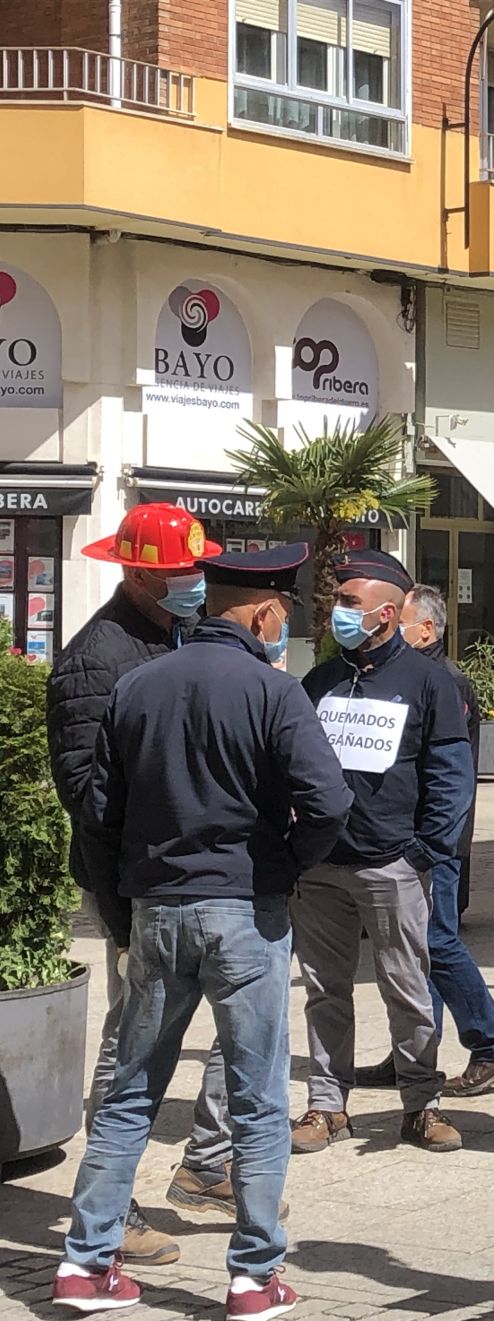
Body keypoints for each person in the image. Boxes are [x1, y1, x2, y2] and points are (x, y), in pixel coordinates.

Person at [53, 544, 352, 1321]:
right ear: (263, 613)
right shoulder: (272, 691)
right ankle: (254, 1278)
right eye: (282, 615)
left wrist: (126, 906)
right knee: (255, 1100)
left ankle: (86, 1265)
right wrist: (281, 867)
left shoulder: (137, 686)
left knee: (128, 1093)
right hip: (245, 914)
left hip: (156, 911)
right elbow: (327, 802)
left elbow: (99, 812)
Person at [46, 503, 228, 1265]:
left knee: (223, 1034)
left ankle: (206, 1168)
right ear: (141, 572)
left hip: (189, 877)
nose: (197, 581)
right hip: (136, 889)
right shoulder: (98, 658)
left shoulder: (172, 635)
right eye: (184, 571)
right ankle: (110, 1215)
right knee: (133, 1050)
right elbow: (87, 795)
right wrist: (122, 922)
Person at [292, 550, 474, 1155]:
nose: (336, 613)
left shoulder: (429, 682)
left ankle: (421, 1104)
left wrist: (424, 851)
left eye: (349, 604)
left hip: (391, 863)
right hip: (319, 866)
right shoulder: (318, 681)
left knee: (406, 985)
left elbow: (452, 773)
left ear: (387, 614)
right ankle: (326, 1105)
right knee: (324, 988)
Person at [354, 584, 494, 1097]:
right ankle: (414, 1054)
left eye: (397, 619)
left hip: (433, 842)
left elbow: (450, 776)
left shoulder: (442, 682)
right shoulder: (405, 676)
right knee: (417, 949)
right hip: (412, 838)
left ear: (424, 629)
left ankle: (492, 1044)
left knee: (435, 941)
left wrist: (428, 843)